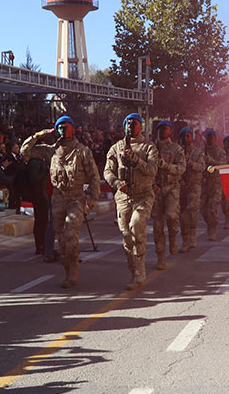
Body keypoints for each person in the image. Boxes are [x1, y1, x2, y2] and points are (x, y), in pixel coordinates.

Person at [21, 116, 101, 288]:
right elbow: (25, 152)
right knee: (60, 235)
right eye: (60, 127)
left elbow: (94, 175)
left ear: (73, 129)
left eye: (66, 127)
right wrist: (39, 135)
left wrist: (92, 198)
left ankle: (74, 270)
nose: (63, 130)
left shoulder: (82, 151)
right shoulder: (50, 150)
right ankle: (68, 268)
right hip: (58, 196)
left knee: (70, 229)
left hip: (76, 196)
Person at [103, 113, 159, 289]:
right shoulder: (116, 148)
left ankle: (140, 271)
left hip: (143, 195)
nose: (130, 126)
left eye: (133, 123)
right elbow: (107, 172)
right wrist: (117, 183)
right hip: (123, 198)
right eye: (127, 123)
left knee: (136, 224)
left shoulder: (149, 147)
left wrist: (136, 160)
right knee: (127, 237)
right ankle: (133, 270)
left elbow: (152, 170)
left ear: (140, 126)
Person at [151, 120, 186, 270]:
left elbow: (181, 169)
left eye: (165, 129)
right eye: (159, 129)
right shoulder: (151, 148)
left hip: (172, 187)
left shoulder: (177, 149)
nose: (162, 132)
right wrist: (153, 185)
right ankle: (161, 257)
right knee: (157, 225)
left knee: (172, 216)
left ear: (170, 131)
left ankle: (173, 238)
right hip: (156, 190)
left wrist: (166, 166)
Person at [179, 127, 206, 253]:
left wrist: (190, 163)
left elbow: (201, 166)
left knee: (192, 208)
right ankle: (185, 239)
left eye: (188, 136)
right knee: (183, 214)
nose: (186, 139)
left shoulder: (198, 152)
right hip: (181, 186)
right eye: (183, 136)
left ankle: (193, 235)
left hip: (194, 185)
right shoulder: (177, 151)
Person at [200, 130, 226, 241]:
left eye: (211, 137)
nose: (210, 139)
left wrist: (211, 160)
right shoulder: (201, 152)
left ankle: (212, 229)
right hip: (205, 183)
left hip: (216, 183)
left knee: (213, 206)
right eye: (208, 137)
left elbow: (222, 165)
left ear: (215, 138)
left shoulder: (220, 151)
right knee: (202, 209)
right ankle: (209, 223)